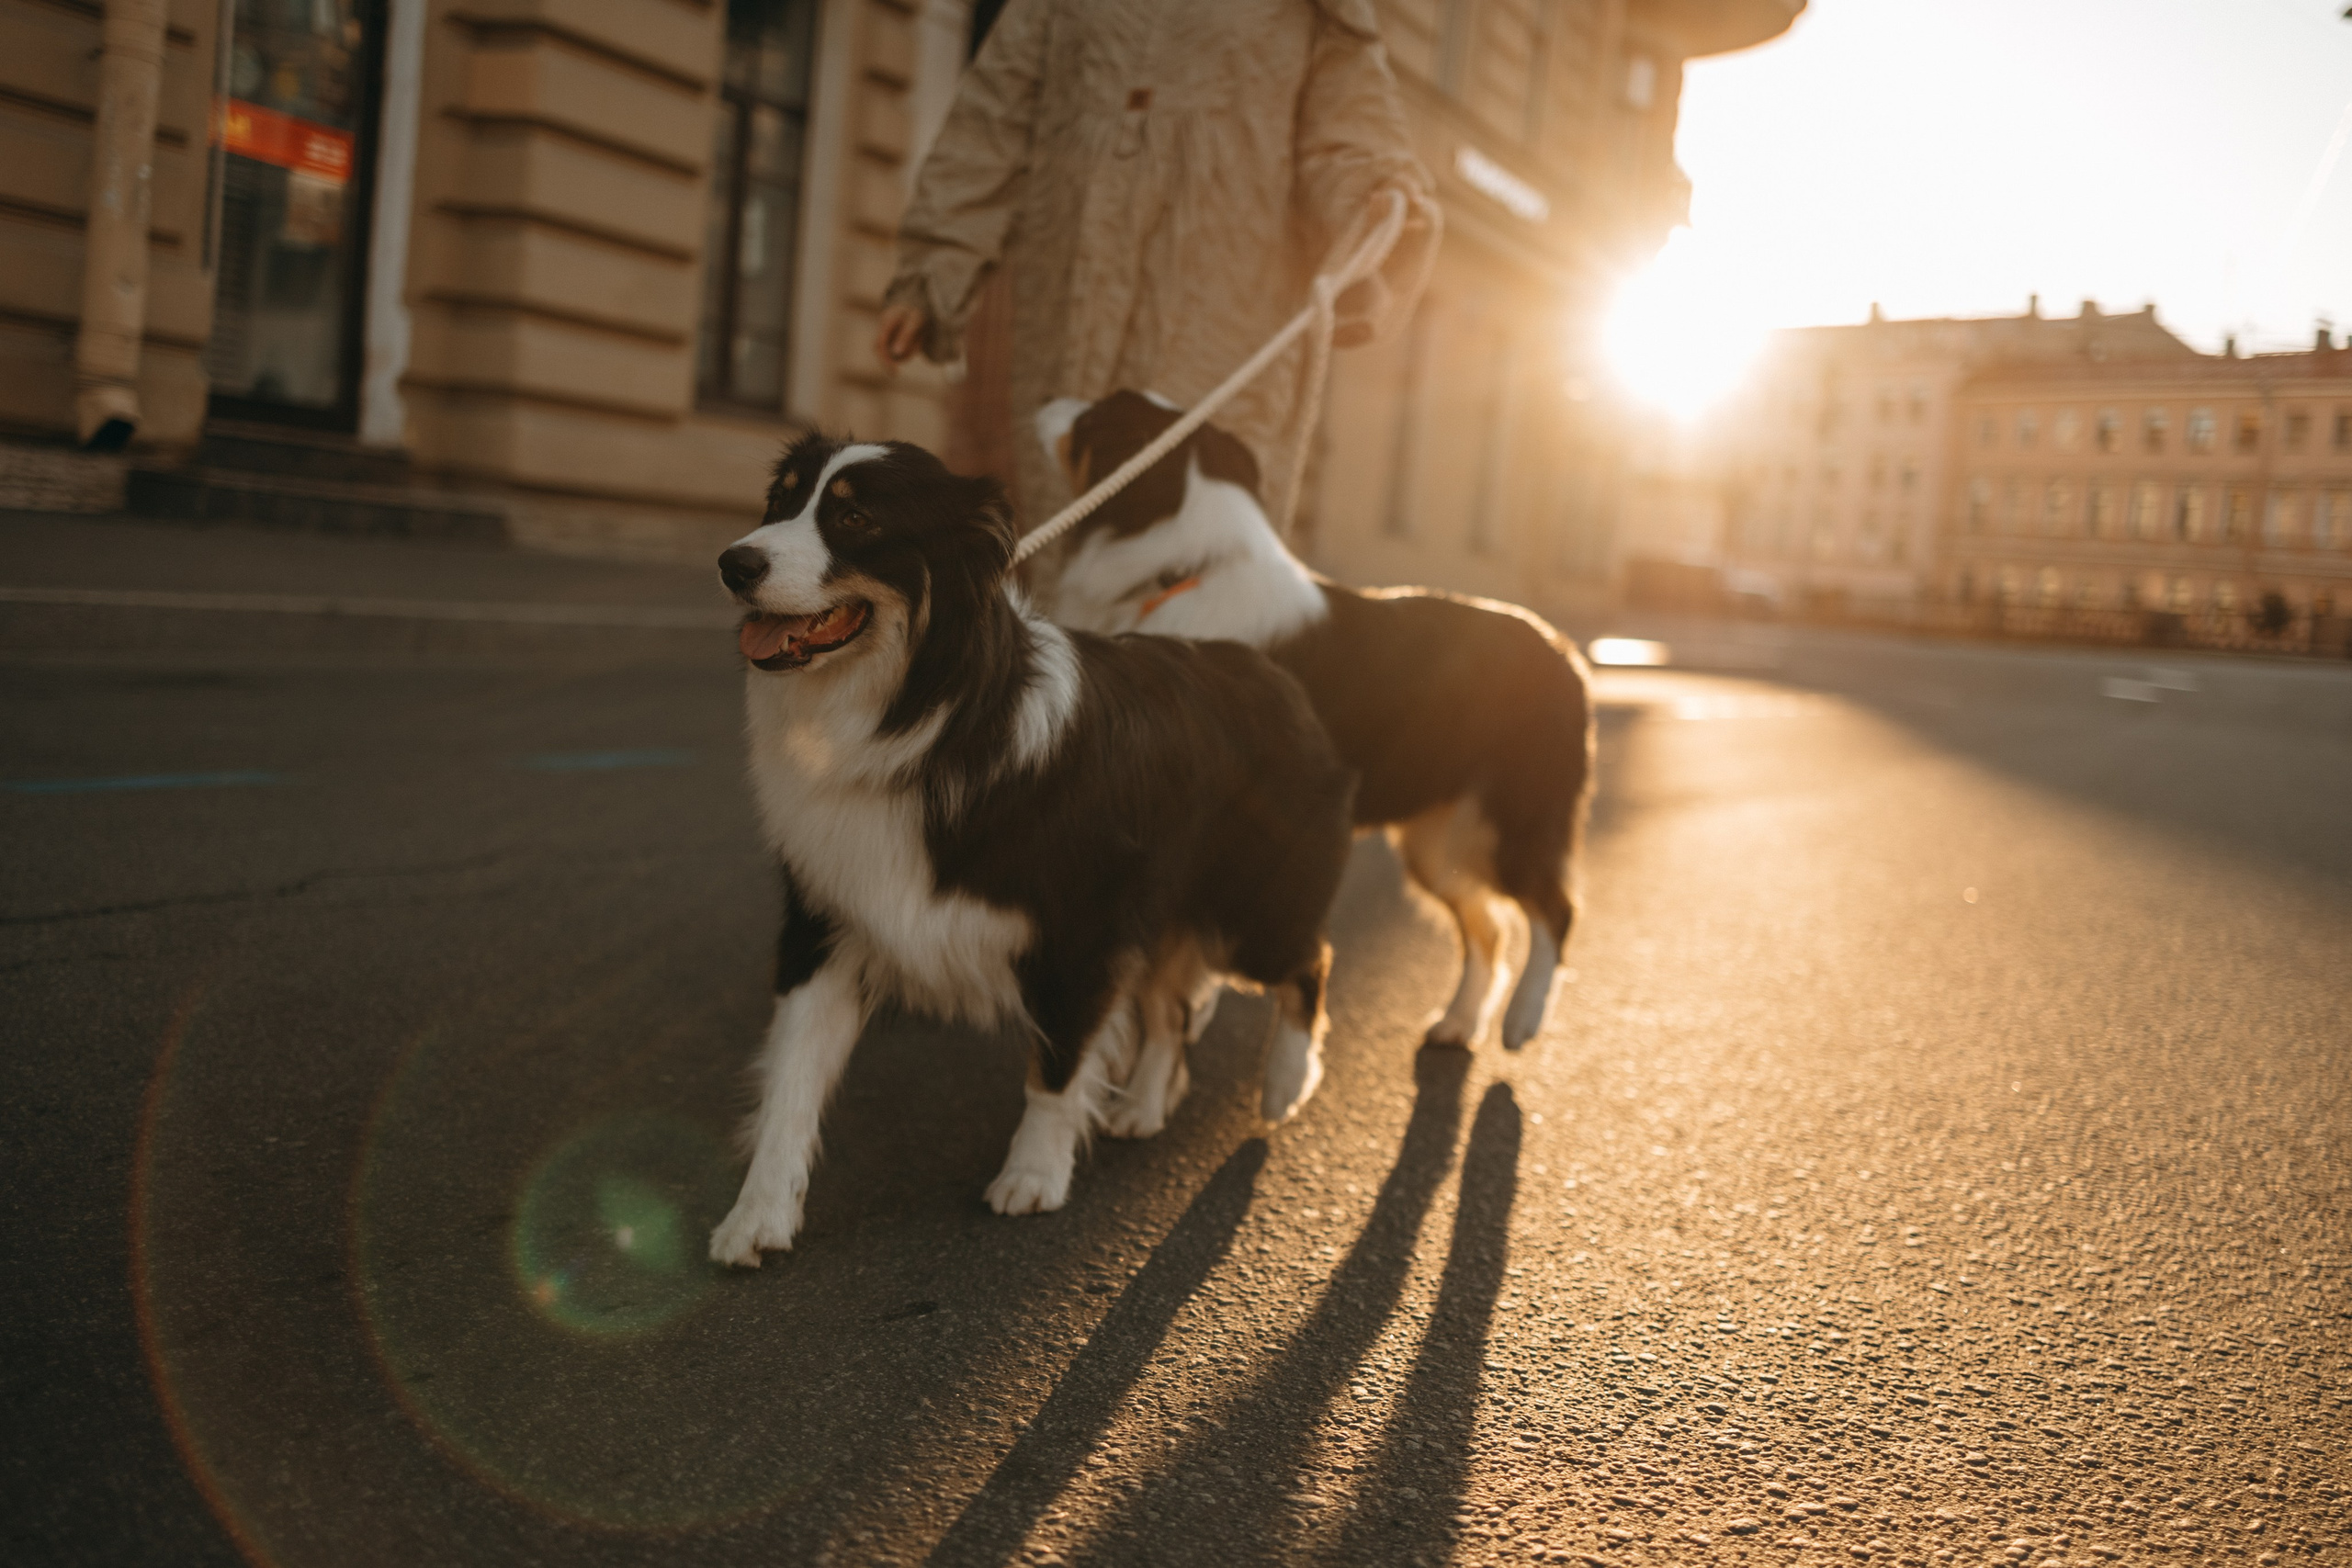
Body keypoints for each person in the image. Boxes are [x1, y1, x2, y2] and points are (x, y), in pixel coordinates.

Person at [875, 0, 1440, 535]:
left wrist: (1376, 202)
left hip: (1223, 315)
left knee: (1196, 529)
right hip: (1068, 304)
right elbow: (993, 118)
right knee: (1062, 509)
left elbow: (1348, 139)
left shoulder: (1312, 11)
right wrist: (932, 266)